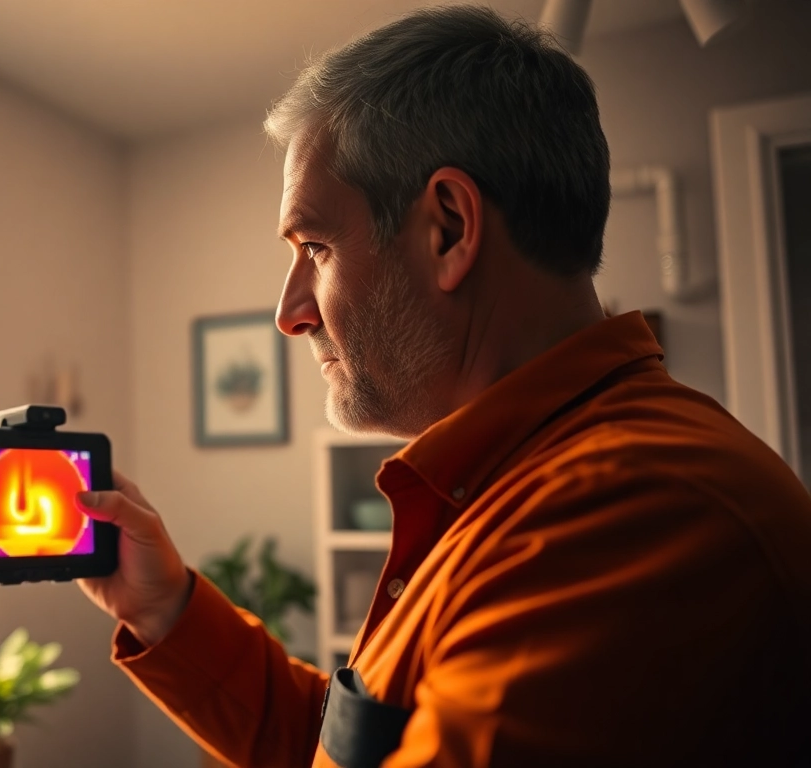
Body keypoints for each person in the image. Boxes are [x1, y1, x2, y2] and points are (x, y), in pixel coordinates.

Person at [71, 5, 811, 768]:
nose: (290, 314)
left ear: (450, 229)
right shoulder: (513, 484)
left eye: (316, 248)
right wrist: (166, 612)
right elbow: (351, 751)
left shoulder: (631, 512)